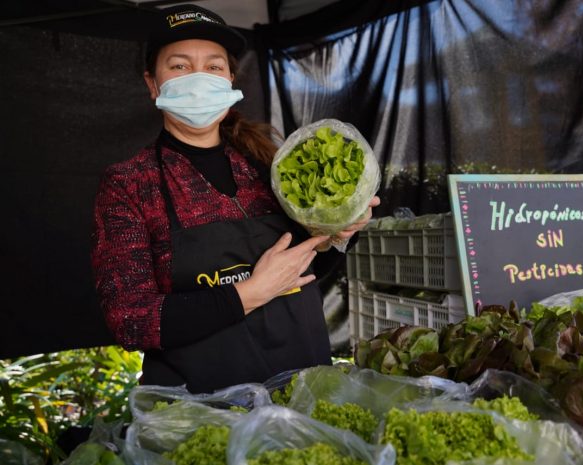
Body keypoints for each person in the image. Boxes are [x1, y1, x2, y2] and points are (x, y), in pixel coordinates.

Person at [91, 4, 379, 393]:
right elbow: (130, 318)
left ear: (229, 78)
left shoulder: (269, 166)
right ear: (153, 84)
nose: (197, 78)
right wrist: (249, 293)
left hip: (302, 394)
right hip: (203, 407)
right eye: (179, 66)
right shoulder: (130, 184)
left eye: (213, 67)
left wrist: (337, 232)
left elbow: (304, 271)